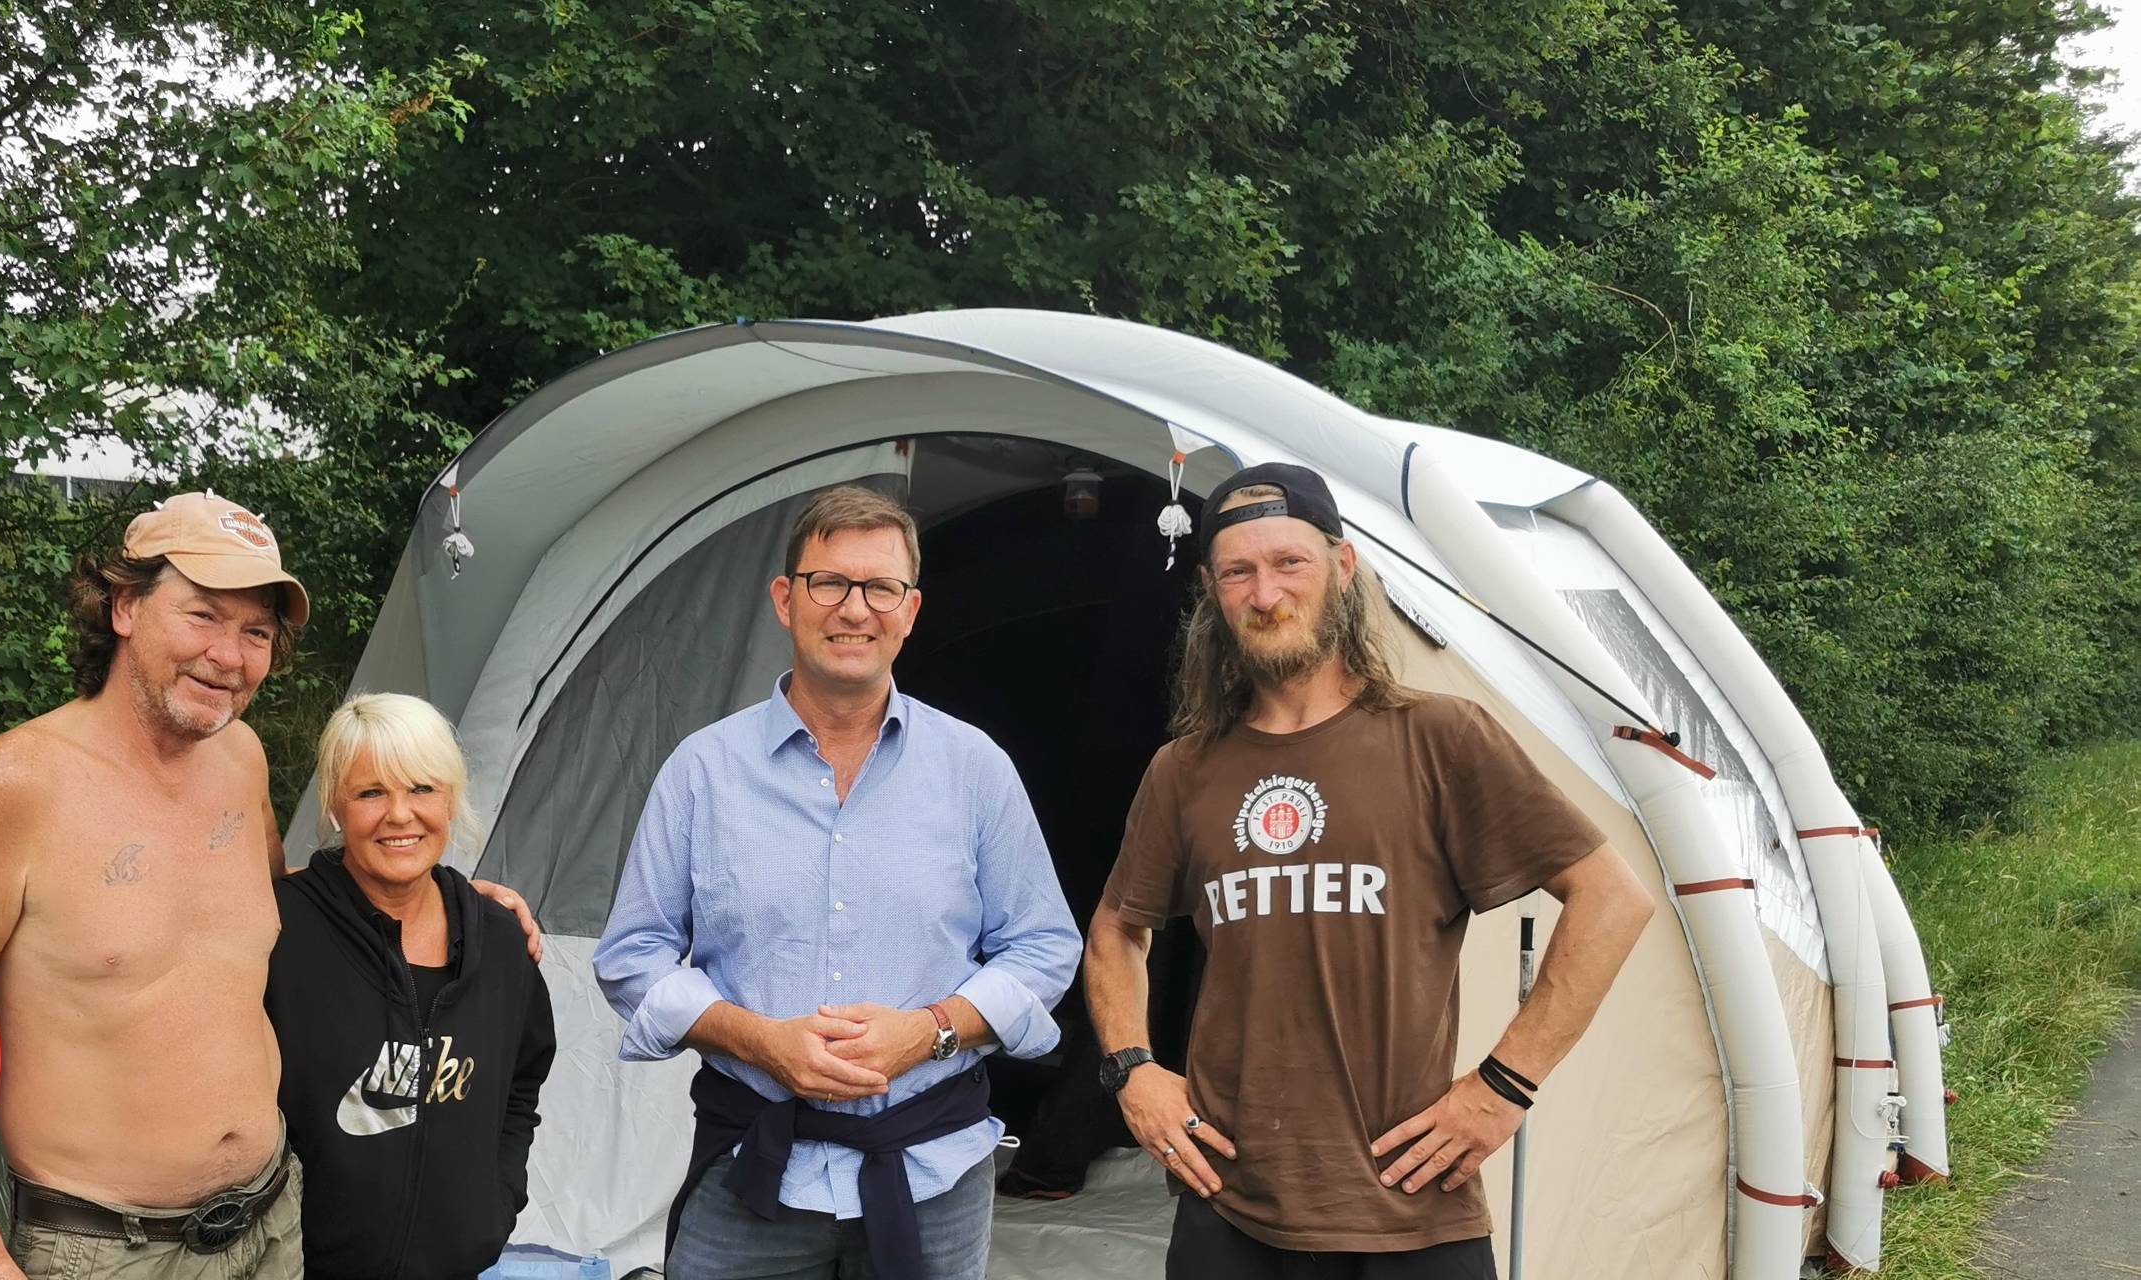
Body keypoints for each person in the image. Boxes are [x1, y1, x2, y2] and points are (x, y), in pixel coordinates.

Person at [0, 493, 541, 1280]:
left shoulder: (240, 760)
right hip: (103, 1248)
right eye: (202, 616)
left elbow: (287, 915)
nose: (230, 657)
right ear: (124, 606)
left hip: (274, 1222)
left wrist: (447, 901)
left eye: (255, 632)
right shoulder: (14, 786)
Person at [1083, 463, 1658, 1279]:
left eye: (1290, 563)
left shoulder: (1438, 737)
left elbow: (1611, 900)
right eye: (1238, 572)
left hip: (1411, 1208)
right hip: (1229, 1205)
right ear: (1211, 591)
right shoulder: (1184, 770)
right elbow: (1116, 929)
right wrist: (1132, 1073)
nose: (1265, 592)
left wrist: (1501, 1088)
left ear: (1341, 568)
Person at [593, 484, 1083, 1280]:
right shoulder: (703, 771)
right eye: (830, 583)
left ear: (910, 609)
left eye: (879, 587)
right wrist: (760, 1041)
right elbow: (632, 955)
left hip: (933, 1173)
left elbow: (1042, 949)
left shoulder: (974, 770)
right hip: (752, 1168)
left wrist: (927, 1031)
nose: (854, 609)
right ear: (786, 599)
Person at [268, 693, 556, 1280]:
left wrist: (493, 1207)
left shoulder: (500, 943)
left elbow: (522, 1083)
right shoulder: (279, 933)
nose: (400, 815)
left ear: (451, 799)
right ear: (335, 805)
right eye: (371, 792)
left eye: (423, 789)